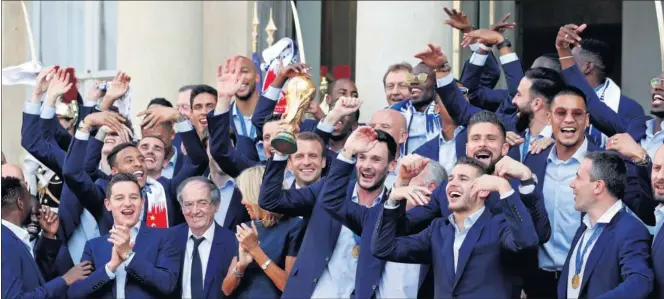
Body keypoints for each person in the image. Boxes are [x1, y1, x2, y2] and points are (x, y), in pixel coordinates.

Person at [258, 126, 397, 299]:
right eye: (361, 157)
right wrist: (281, 153)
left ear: (392, 165)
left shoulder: (392, 210)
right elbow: (270, 200)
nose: (366, 166)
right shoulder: (328, 189)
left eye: (376, 159)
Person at [371, 157, 539, 298]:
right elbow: (383, 248)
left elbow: (527, 242)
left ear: (483, 191)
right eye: (451, 179)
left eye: (463, 179)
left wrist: (504, 188)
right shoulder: (437, 230)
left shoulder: (499, 226)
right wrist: (393, 199)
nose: (452, 184)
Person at [320, 148, 445, 299]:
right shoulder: (375, 217)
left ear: (430, 188)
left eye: (410, 177)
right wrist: (347, 154)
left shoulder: (444, 232)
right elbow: (332, 202)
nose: (399, 184)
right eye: (399, 177)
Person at [66, 173, 180, 299]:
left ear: (142, 202)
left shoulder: (165, 237)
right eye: (120, 198)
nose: (127, 203)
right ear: (108, 204)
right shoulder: (94, 246)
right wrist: (110, 267)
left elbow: (168, 285)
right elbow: (74, 293)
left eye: (133, 197)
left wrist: (129, 257)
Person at [559, 151, 653, 299]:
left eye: (578, 177)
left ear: (598, 186)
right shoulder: (585, 225)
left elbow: (640, 280)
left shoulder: (631, 230)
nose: (572, 184)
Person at [2, 176, 92, 299]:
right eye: (29, 199)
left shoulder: (11, 237)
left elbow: (35, 277)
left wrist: (48, 236)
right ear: (20, 203)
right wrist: (65, 280)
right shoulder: (4, 242)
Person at [222, 165, 302, 298]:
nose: (242, 201)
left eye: (245, 195)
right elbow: (226, 289)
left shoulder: (294, 226)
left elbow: (290, 287)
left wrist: (255, 250)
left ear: (257, 195)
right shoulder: (246, 228)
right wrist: (241, 266)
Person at [167, 177, 237, 299]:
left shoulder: (233, 243)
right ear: (181, 208)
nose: (194, 211)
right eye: (188, 204)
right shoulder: (168, 239)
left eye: (202, 203)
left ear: (216, 205)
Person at [390, 62, 442, 154]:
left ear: (436, 83)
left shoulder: (447, 114)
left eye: (422, 77)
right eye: (411, 78)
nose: (414, 82)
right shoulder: (394, 113)